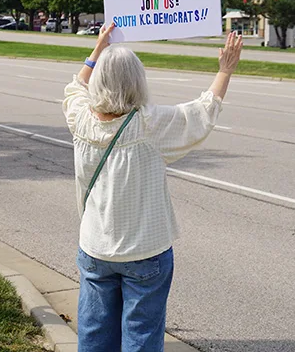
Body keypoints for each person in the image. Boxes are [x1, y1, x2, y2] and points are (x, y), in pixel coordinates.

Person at [62, 24, 243, 352]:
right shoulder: (149, 124)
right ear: (138, 81)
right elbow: (202, 113)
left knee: (93, 334)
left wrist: (98, 48)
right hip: (145, 251)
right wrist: (225, 71)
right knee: (142, 336)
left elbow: (74, 87)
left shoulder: (81, 120)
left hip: (95, 248)